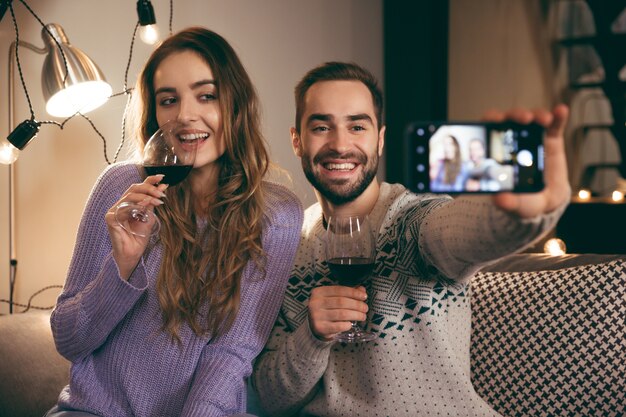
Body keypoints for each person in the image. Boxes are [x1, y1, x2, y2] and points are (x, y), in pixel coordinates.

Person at [251, 61, 570, 416]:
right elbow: (269, 398)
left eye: (357, 126)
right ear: (297, 141)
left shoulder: (411, 220)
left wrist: (520, 215)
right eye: (322, 126)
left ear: (380, 139)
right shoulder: (284, 243)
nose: (340, 144)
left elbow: (462, 231)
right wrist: (311, 337)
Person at [46, 27, 303, 417]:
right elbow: (69, 340)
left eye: (206, 95)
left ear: (235, 104)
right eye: (169, 100)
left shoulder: (277, 213)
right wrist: (123, 265)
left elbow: (232, 353)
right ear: (154, 113)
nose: (184, 115)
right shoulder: (121, 187)